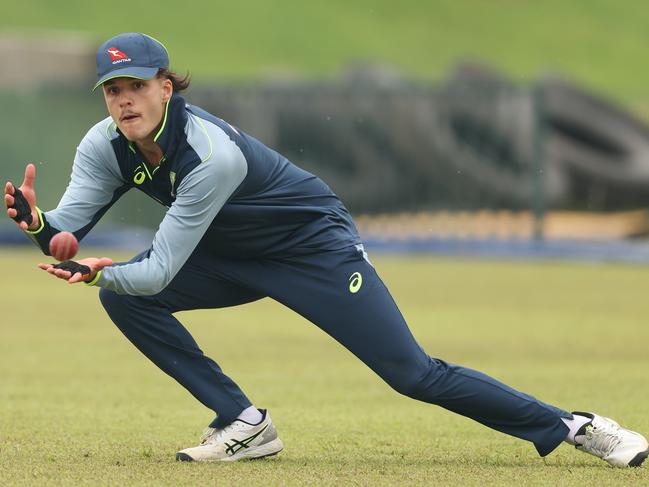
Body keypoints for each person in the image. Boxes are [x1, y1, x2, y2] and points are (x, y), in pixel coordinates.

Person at [4, 32, 648, 467]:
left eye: (136, 86)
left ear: (167, 87)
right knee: (126, 303)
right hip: (228, 253)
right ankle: (244, 424)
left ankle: (575, 426)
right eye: (113, 90)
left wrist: (99, 274)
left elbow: (159, 269)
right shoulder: (103, 144)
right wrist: (38, 224)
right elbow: (69, 228)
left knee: (411, 374)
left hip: (311, 249)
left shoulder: (210, 155)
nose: (124, 100)